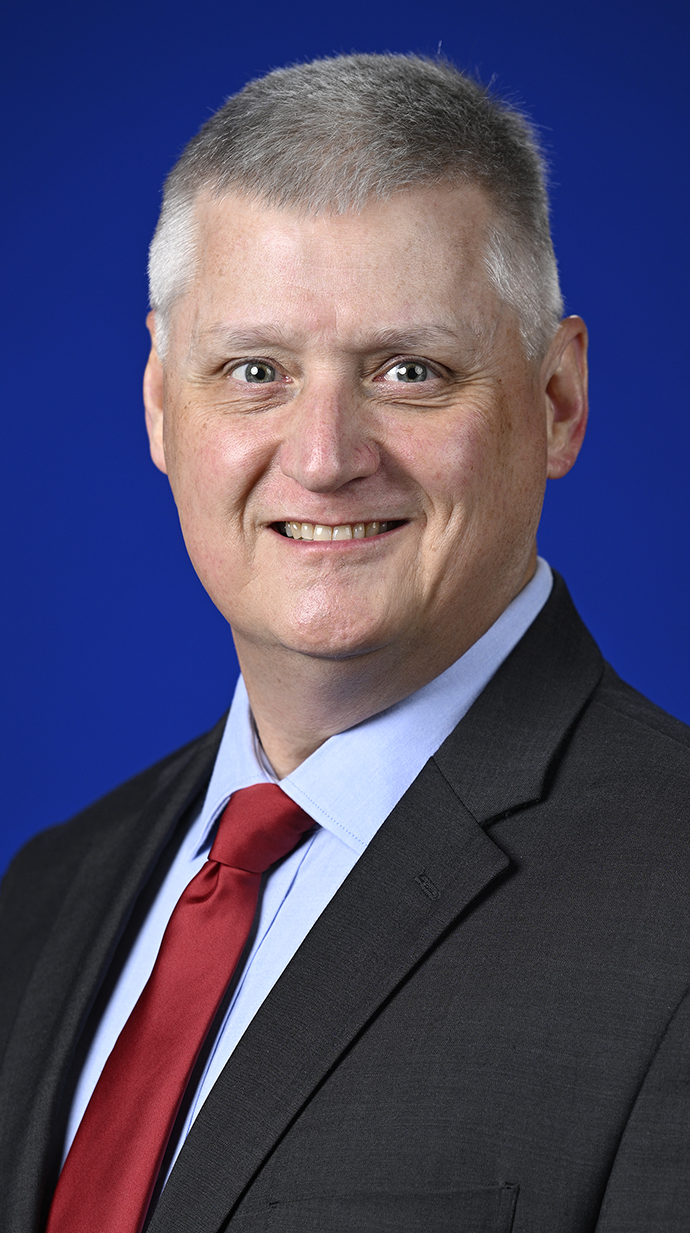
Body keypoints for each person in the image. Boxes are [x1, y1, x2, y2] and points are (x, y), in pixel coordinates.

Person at [1, 51, 689, 1233]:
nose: (324, 458)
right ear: (162, 404)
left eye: (410, 372)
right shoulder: (48, 890)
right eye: (255, 371)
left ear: (557, 402)